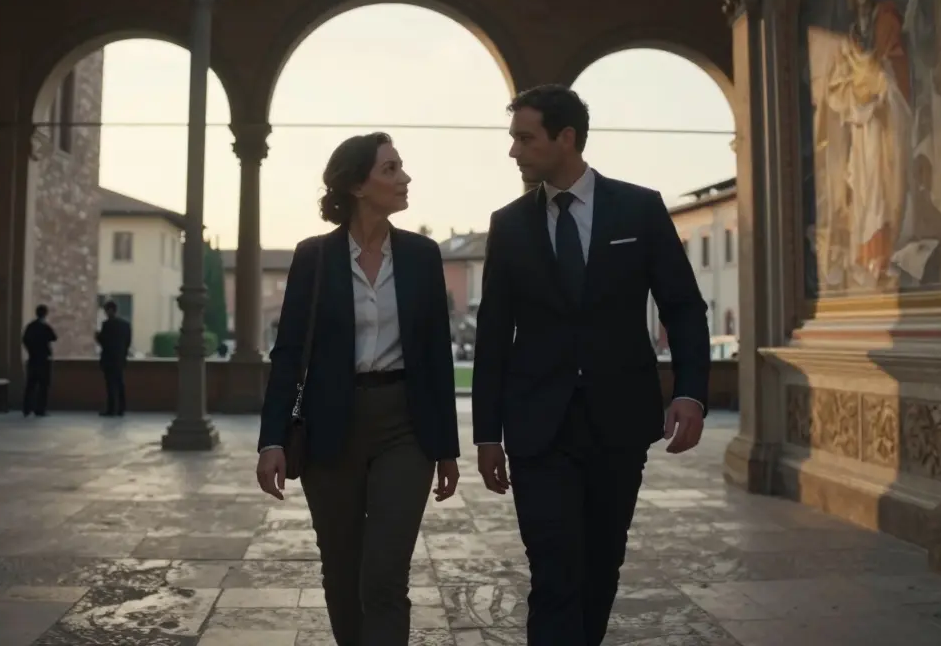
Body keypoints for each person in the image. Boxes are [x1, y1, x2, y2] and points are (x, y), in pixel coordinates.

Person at [472, 85, 711, 646]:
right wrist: (487, 434)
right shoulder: (509, 225)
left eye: (525, 138)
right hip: (538, 427)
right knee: (553, 572)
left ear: (566, 138)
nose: (514, 151)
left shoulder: (639, 208)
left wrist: (691, 391)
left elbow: (682, 306)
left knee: (601, 568)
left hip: (619, 422)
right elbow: (493, 334)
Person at [255, 132, 461, 646]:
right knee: (342, 571)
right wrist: (272, 439)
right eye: (390, 169)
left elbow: (437, 355)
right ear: (356, 185)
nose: (404, 178)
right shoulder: (314, 257)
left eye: (400, 167)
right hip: (330, 425)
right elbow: (288, 353)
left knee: (385, 575)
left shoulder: (422, 255)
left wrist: (447, 448)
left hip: (405, 426)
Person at [95, 300, 131, 416]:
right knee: (120, 383)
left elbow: (104, 342)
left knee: (110, 384)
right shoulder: (126, 325)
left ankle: (111, 409)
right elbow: (128, 342)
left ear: (110, 310)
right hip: (120, 358)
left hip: (109, 359)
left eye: (106, 311)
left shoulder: (107, 324)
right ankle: (121, 408)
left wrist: (97, 337)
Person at [21, 304, 58, 416]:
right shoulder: (45, 326)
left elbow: (25, 340)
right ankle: (40, 409)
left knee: (30, 384)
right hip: (43, 359)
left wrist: (31, 350)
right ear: (45, 314)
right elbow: (54, 337)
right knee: (43, 385)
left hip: (33, 358)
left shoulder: (30, 326)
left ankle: (27, 408)